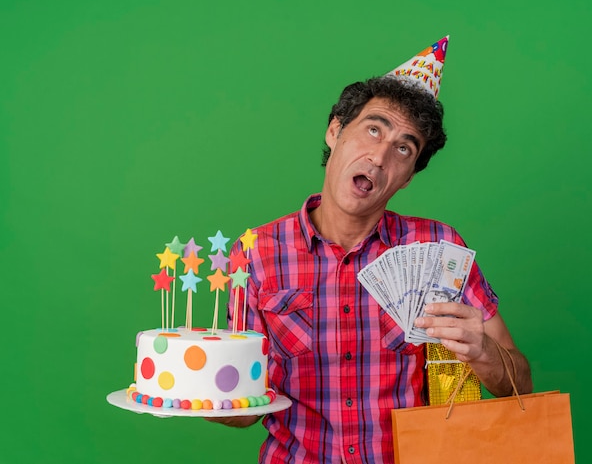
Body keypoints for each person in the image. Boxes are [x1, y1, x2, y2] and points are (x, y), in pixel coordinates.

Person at [207, 43, 532, 464]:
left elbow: (521, 386)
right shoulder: (256, 253)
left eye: (404, 149)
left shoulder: (438, 251)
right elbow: (245, 413)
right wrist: (202, 393)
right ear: (334, 130)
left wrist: (483, 353)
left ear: (409, 177)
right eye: (374, 129)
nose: (379, 157)